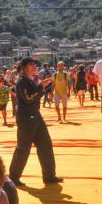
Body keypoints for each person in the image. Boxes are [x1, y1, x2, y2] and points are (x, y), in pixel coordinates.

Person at [8, 57, 63, 187]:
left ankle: (49, 176)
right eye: (32, 64)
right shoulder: (22, 81)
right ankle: (13, 178)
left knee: (46, 145)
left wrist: (40, 86)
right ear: (25, 66)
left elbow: (33, 96)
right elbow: (28, 98)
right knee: (23, 148)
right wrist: (41, 87)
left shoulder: (30, 80)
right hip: (26, 118)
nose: (35, 66)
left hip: (35, 116)